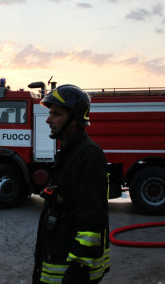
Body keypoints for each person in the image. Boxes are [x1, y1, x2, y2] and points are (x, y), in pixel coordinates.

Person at [33, 85, 110, 284]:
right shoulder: (69, 153)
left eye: (56, 114)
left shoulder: (88, 156)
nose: (48, 120)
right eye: (50, 114)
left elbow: (91, 221)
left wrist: (77, 271)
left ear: (75, 119)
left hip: (72, 273)